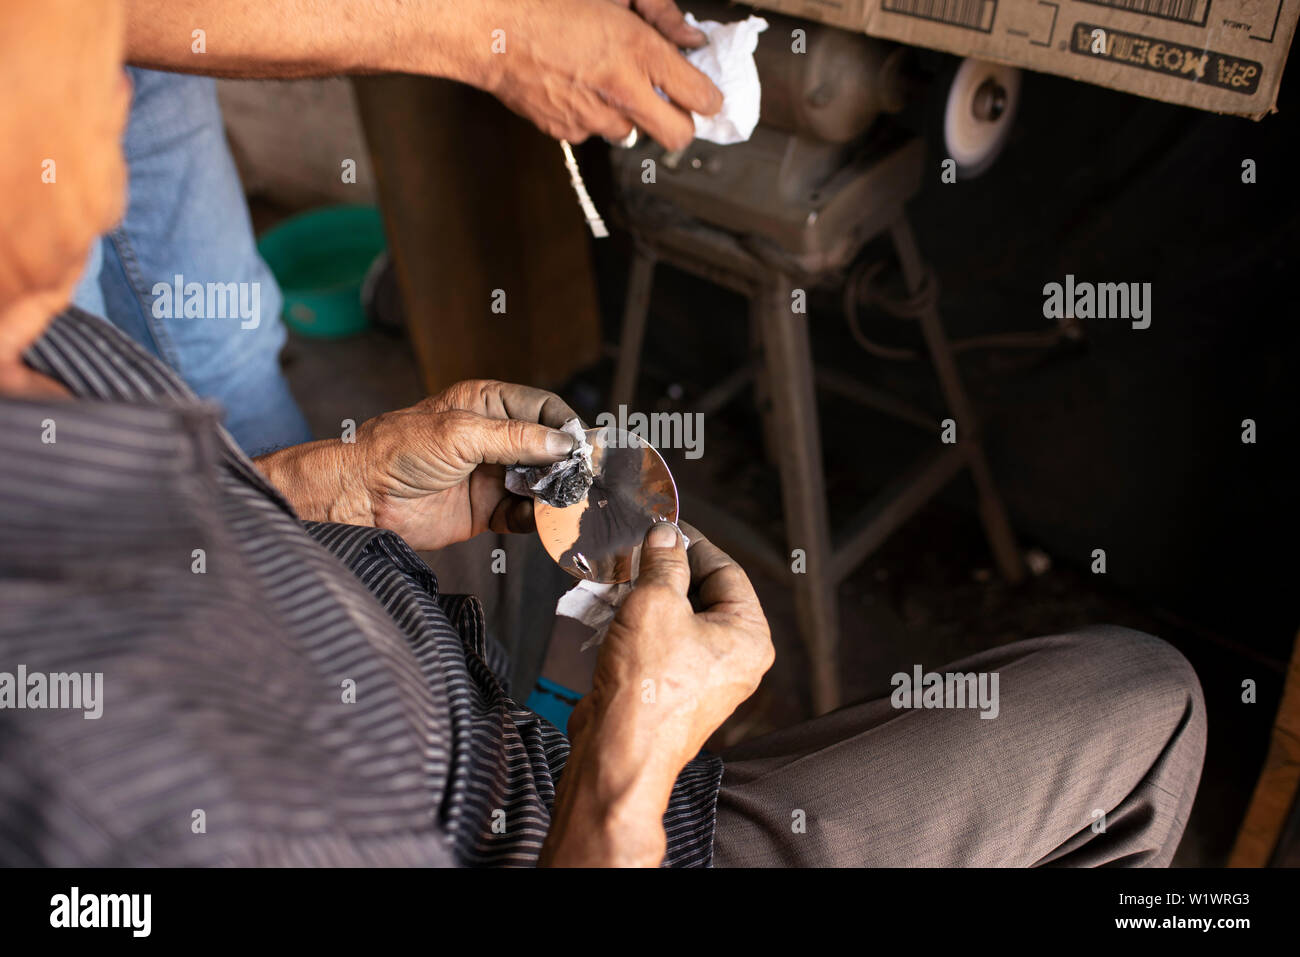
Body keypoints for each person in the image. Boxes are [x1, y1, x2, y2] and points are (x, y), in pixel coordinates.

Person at [0, 0, 1206, 867]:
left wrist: (328, 487)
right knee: (1145, 706)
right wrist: (623, 772)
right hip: (554, 827)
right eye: (81, 58)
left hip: (453, 708)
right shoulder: (88, 794)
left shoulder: (42, 348)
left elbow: (186, 544)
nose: (125, 92)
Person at [73, 0, 725, 454]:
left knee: (225, 346)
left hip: (118, 49)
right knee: (62, 414)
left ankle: (302, 588)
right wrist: (494, 35)